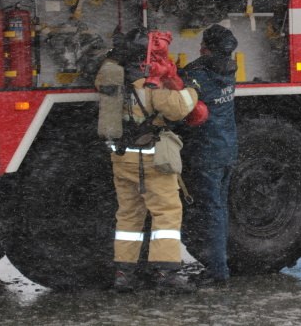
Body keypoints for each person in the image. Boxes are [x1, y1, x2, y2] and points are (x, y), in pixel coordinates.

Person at [95, 27, 199, 293]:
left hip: (122, 156)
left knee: (129, 216)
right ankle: (166, 274)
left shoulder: (112, 78)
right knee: (166, 214)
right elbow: (178, 109)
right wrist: (192, 89)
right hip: (153, 157)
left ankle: (124, 274)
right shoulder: (151, 83)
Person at [180, 24, 239, 287]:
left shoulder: (198, 77)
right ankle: (219, 264)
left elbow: (180, 102)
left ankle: (217, 271)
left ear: (207, 48)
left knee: (212, 211)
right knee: (220, 210)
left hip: (207, 153)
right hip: (226, 149)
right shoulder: (227, 71)